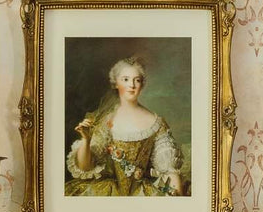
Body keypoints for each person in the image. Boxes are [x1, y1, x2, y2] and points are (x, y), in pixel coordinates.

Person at [66, 56, 186, 196]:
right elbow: (85, 167)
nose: (132, 85)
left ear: (142, 84)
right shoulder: (106, 121)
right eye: (126, 79)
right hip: (108, 192)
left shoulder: (157, 123)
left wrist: (177, 197)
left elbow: (169, 170)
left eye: (137, 80)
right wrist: (86, 140)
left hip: (143, 193)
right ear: (116, 83)